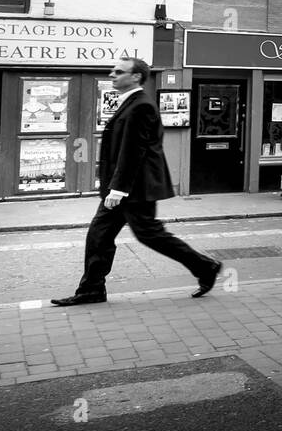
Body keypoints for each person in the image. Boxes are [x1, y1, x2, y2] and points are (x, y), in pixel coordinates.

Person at [50, 58, 222, 306]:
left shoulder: (141, 106)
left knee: (150, 235)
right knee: (99, 236)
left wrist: (118, 189)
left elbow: (133, 151)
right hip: (122, 188)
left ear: (136, 77)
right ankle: (92, 289)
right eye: (113, 71)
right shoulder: (131, 103)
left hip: (135, 189)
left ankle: (205, 267)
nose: (112, 75)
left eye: (119, 72)